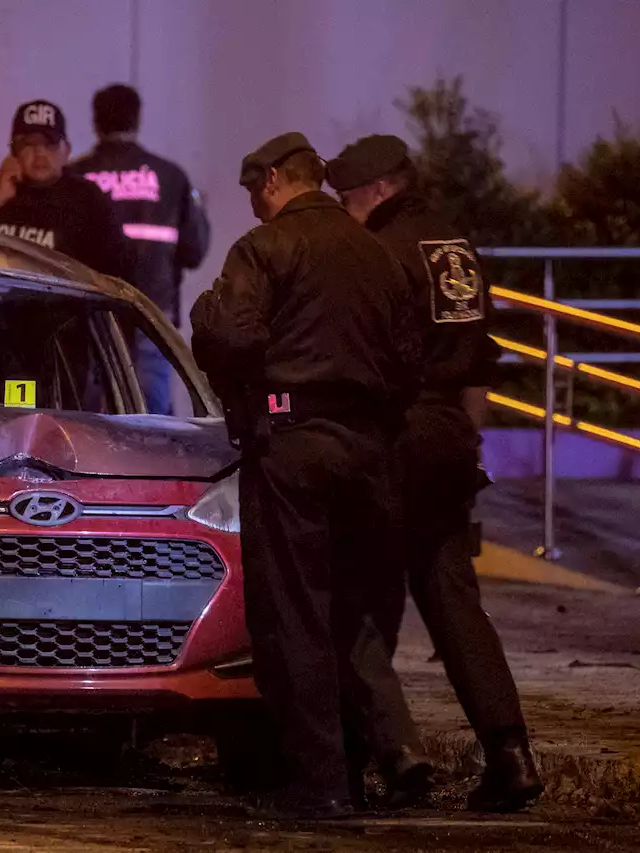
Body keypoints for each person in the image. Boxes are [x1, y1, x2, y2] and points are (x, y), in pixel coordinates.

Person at [190, 132, 430, 817]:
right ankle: (382, 754)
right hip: (371, 451)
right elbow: (412, 362)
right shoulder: (378, 253)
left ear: (271, 179)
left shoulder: (265, 249)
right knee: (357, 612)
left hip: (293, 446)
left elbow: (232, 336)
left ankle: (321, 783)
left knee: (293, 615)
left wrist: (207, 313)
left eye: (252, 193)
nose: (252, 207)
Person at [328, 134, 544, 812]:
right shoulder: (456, 246)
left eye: (347, 197)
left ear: (380, 190)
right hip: (452, 435)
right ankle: (510, 752)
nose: (343, 209)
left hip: (396, 432)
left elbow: (364, 356)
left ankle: (388, 755)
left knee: (356, 598)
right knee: (454, 600)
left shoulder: (378, 252)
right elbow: (481, 359)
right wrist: (459, 436)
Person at [69, 84, 210, 414]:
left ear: (96, 121)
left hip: (86, 318)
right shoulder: (170, 177)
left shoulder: (75, 177)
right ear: (137, 119)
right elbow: (195, 251)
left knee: (83, 424)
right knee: (150, 427)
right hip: (151, 316)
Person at [0, 100, 132, 281]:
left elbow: (121, 271)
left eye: (50, 144)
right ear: (14, 152)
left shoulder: (87, 199)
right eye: (28, 145)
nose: (39, 153)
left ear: (66, 151)